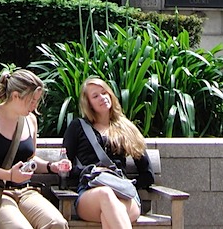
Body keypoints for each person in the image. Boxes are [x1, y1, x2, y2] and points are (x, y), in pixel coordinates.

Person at [0, 69, 71, 229]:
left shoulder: (31, 120)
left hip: (25, 191)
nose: (35, 106)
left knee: (57, 223)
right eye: (31, 101)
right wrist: (8, 175)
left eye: (37, 101)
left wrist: (52, 167)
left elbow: (30, 159)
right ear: (15, 96)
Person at [62, 77, 154, 229]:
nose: (102, 98)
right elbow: (65, 167)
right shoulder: (78, 126)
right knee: (106, 195)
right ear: (88, 103)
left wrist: (130, 184)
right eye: (95, 96)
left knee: (110, 215)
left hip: (124, 193)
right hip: (91, 193)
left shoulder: (126, 128)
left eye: (104, 93)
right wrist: (91, 171)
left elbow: (147, 173)